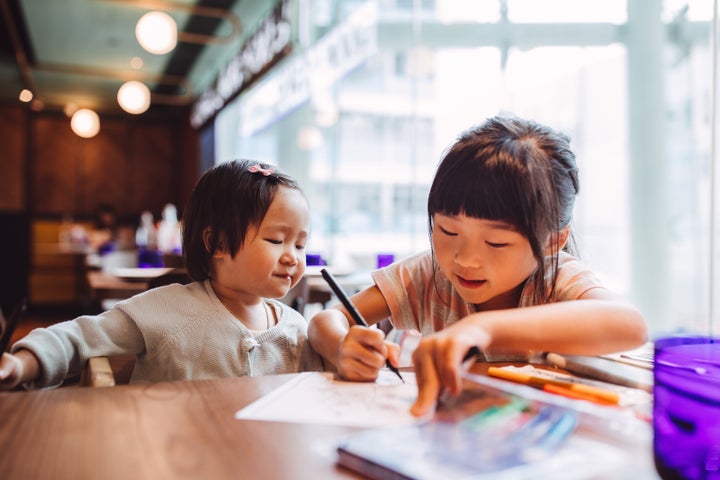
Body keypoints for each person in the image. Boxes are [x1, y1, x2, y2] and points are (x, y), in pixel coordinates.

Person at [307, 116, 648, 416]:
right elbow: (326, 320)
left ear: (552, 242)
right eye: (448, 230)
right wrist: (342, 347)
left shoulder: (555, 277)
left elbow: (629, 324)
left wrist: (482, 327)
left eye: (496, 242)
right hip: (450, 433)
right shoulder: (428, 275)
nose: (465, 259)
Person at [0, 160, 323, 390]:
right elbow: (78, 338)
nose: (292, 257)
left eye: (300, 244)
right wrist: (20, 364)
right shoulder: (165, 310)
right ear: (217, 244)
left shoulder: (296, 327)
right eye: (276, 240)